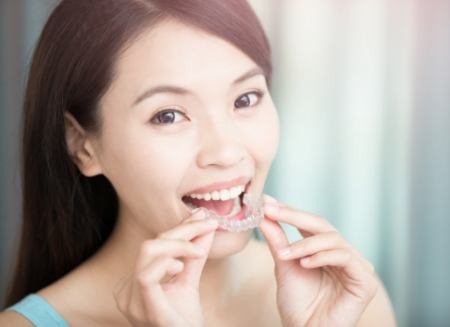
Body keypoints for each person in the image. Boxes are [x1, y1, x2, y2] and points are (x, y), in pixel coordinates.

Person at [0, 0, 397, 326]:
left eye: (245, 99)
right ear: (84, 147)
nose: (226, 152)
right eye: (168, 115)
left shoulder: (347, 300)